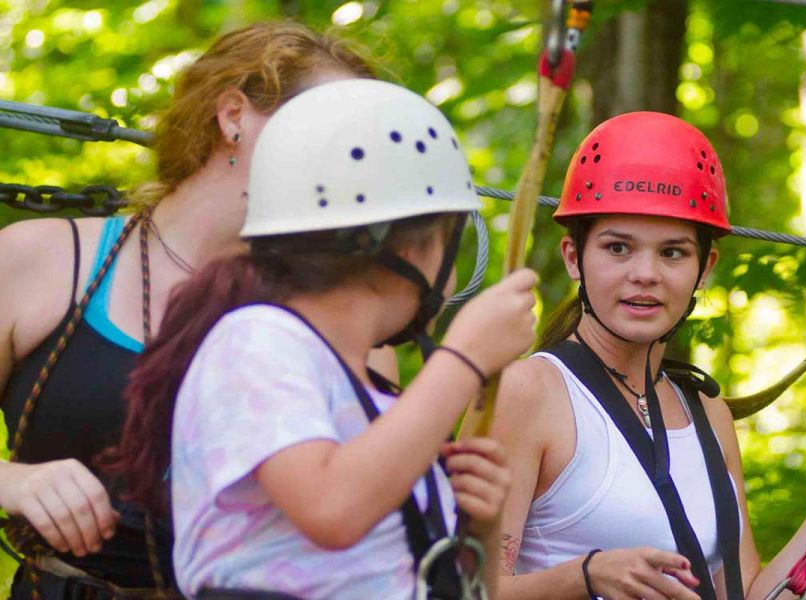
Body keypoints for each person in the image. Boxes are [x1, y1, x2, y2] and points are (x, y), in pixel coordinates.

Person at [105, 79, 537, 599]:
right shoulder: (255, 341)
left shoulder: (380, 407)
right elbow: (331, 509)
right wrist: (463, 358)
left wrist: (477, 529)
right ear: (415, 247)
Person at [0, 21, 379, 597]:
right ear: (234, 117)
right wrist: (12, 481)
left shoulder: (344, 313)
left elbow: (359, 536)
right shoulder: (46, 259)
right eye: (328, 128)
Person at [490, 111, 806, 600]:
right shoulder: (528, 393)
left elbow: (752, 593)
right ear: (573, 257)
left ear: (704, 267)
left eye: (672, 252)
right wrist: (585, 576)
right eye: (618, 248)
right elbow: (456, 590)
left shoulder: (707, 413)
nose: (645, 273)